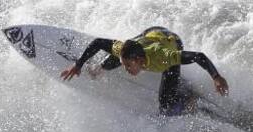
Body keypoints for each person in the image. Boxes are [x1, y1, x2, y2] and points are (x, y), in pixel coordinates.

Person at [60, 26, 229, 115]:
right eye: (125, 65)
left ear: (140, 61)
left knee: (165, 105)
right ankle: (100, 68)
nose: (126, 70)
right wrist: (78, 65)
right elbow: (98, 42)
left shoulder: (165, 57)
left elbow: (199, 56)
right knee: (115, 57)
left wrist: (216, 77)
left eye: (129, 66)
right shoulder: (123, 49)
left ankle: (189, 100)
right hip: (150, 33)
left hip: (170, 40)